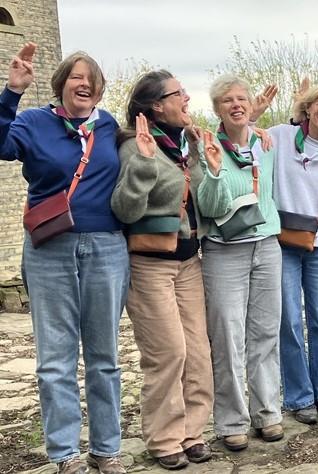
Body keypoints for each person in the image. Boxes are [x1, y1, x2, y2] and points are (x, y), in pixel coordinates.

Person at [1, 45, 128, 474]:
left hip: (107, 246)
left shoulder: (108, 126)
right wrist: (11, 92)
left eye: (91, 78)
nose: (84, 83)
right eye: (76, 76)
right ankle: (64, 454)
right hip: (49, 248)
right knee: (55, 358)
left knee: (104, 355)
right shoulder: (35, 122)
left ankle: (107, 448)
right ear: (60, 84)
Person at [110, 70, 213, 469]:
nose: (187, 97)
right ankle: (164, 436)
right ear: (157, 105)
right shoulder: (136, 146)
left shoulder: (183, 145)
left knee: (198, 352)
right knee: (168, 353)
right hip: (150, 265)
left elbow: (198, 196)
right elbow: (125, 209)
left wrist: (201, 155)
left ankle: (192, 431)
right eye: (179, 93)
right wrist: (145, 164)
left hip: (189, 260)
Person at [196, 74, 283, 452]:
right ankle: (232, 420)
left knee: (265, 332)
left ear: (251, 105)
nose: (236, 104)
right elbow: (209, 208)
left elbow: (273, 192)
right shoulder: (206, 146)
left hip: (266, 245)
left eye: (242, 98)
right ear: (217, 109)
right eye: (227, 100)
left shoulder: (267, 144)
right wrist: (215, 172)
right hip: (224, 249)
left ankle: (268, 412)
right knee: (228, 338)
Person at [266, 85, 318, 424]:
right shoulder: (281, 136)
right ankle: (299, 398)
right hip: (284, 242)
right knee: (289, 321)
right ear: (307, 107)